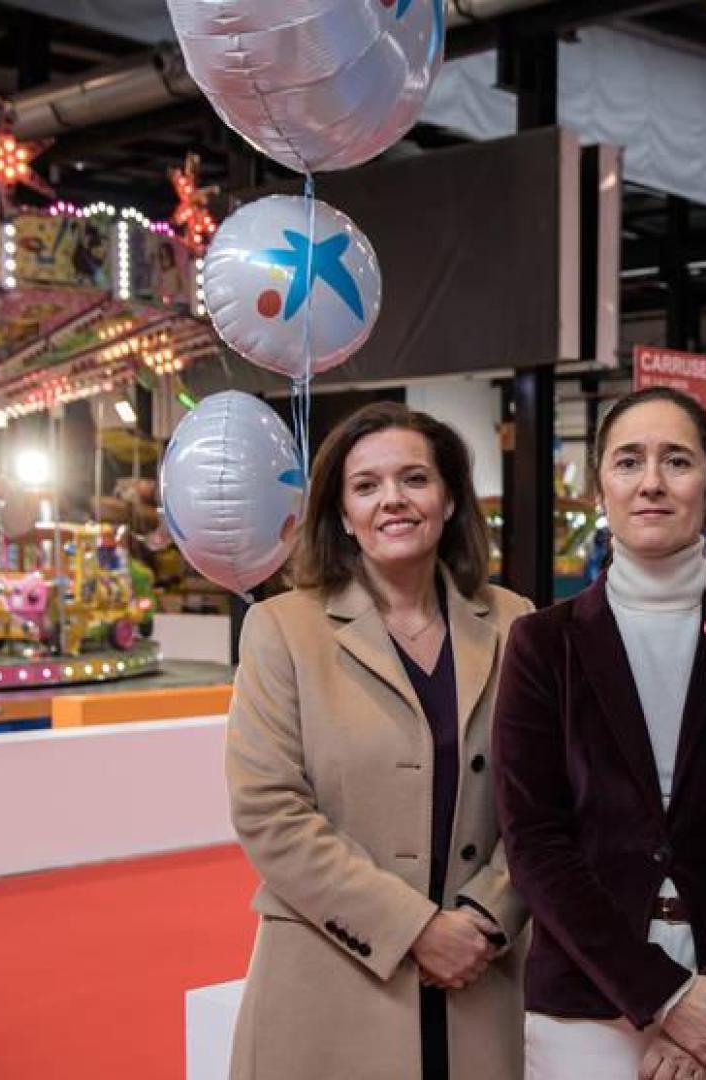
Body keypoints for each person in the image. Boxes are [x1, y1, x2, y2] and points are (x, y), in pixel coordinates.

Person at [493, 386, 706, 1080]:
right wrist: (664, 998)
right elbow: (535, 842)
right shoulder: (542, 644)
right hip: (592, 1005)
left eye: (676, 461)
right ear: (601, 485)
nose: (651, 482)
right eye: (628, 462)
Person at [225, 402, 535, 1079]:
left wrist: (486, 917)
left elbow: (547, 798)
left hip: (475, 977)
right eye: (366, 486)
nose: (392, 500)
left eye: (414, 479)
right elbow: (269, 811)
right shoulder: (284, 630)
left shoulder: (517, 623)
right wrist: (416, 930)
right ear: (341, 514)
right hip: (330, 981)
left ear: (450, 499)